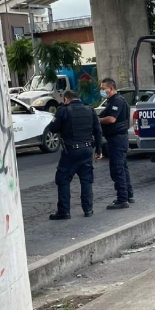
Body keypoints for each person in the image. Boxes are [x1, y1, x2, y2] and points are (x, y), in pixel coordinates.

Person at [48, 90, 103, 220]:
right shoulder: (90, 110)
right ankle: (88, 209)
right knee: (86, 179)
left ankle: (64, 211)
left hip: (71, 151)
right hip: (87, 150)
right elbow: (98, 131)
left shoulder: (63, 110)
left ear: (67, 99)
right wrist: (99, 150)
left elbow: (52, 128)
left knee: (63, 179)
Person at [98, 78, 134, 209]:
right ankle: (128, 195)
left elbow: (112, 119)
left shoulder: (117, 101)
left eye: (103, 88)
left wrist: (97, 120)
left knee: (117, 169)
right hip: (118, 138)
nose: (102, 91)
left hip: (117, 139)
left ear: (111, 88)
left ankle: (122, 199)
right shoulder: (113, 100)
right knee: (123, 168)